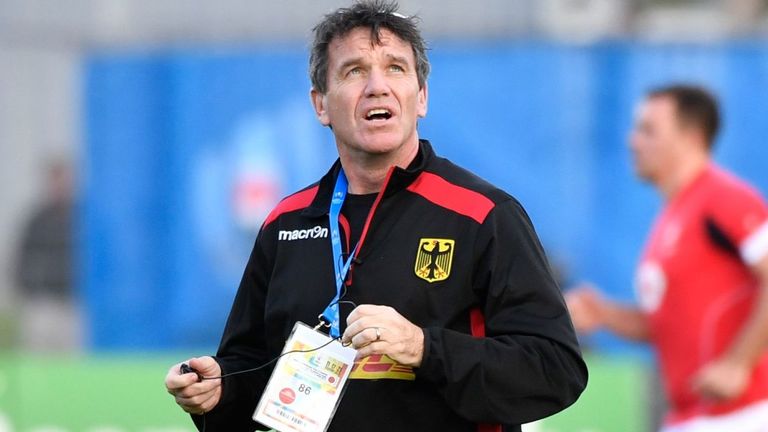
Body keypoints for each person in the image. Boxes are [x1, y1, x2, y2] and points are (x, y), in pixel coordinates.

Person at [165, 2, 587, 431]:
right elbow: (251, 367)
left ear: (421, 97)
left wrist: (424, 347)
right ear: (321, 105)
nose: (377, 87)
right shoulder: (285, 223)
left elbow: (555, 370)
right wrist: (218, 393)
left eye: (396, 68)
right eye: (354, 71)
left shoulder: (484, 215)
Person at [567, 85, 768, 432]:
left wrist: (738, 363)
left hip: (741, 413)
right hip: (691, 416)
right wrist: (603, 313)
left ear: (691, 137)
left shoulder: (724, 199)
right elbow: (670, 323)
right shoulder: (673, 214)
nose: (633, 141)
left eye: (648, 130)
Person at [14, 159, 81, 352]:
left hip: (73, 299)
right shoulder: (38, 219)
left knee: (71, 353)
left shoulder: (81, 218)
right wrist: (27, 287)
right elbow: (23, 256)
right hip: (44, 299)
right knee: (40, 352)